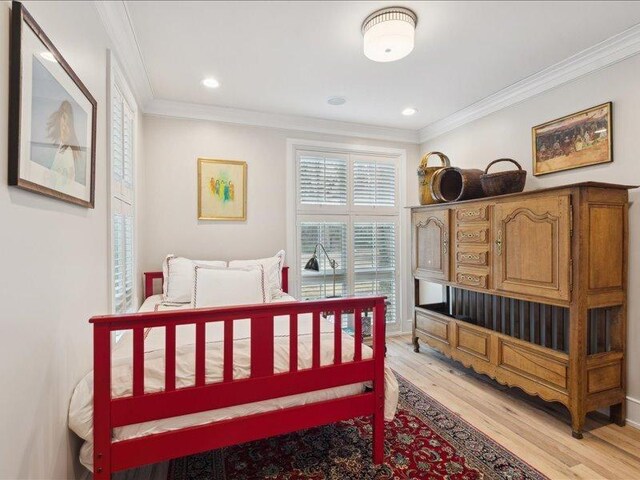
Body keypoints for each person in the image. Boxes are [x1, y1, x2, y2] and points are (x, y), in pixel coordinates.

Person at [47, 100, 82, 185]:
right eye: (63, 118)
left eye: (68, 122)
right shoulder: (58, 149)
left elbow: (66, 183)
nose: (64, 126)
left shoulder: (67, 152)